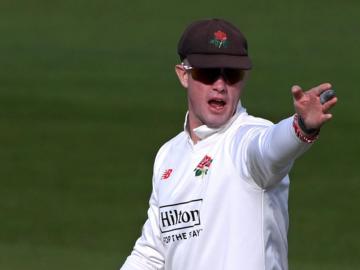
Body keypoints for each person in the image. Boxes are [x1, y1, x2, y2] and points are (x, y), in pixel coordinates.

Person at [120, 18, 338, 270]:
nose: (220, 85)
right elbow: (151, 254)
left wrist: (301, 126)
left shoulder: (246, 139)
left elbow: (271, 147)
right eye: (208, 73)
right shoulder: (169, 155)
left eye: (232, 74)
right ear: (183, 75)